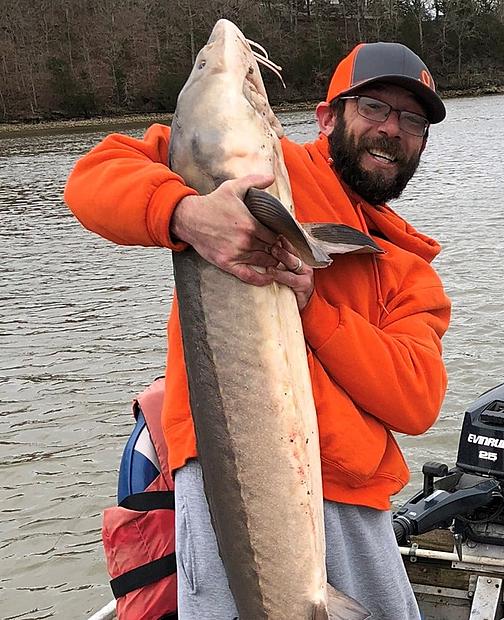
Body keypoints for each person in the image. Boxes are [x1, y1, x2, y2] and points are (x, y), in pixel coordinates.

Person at [65, 42, 451, 619]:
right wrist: (186, 215)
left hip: (354, 504)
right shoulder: (246, 169)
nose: (392, 130)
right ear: (326, 117)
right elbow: (93, 180)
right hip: (234, 487)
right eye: (373, 108)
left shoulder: (410, 271)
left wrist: (313, 308)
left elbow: (416, 400)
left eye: (412, 120)